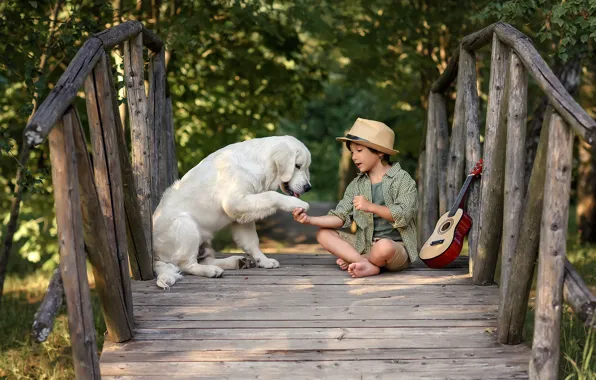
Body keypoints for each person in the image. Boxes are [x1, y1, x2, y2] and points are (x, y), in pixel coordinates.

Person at [292, 118, 418, 278]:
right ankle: (365, 263)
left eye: (359, 151)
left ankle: (360, 260)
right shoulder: (356, 184)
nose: (354, 157)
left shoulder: (402, 179)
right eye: (352, 152)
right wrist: (309, 220)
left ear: (379, 152)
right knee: (323, 234)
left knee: (383, 247)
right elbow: (340, 217)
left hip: (395, 249)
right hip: (363, 245)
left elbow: (404, 215)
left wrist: (370, 206)